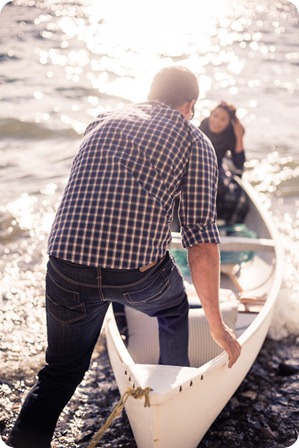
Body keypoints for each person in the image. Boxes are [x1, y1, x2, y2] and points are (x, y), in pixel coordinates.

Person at [5, 66, 241, 448]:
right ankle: (172, 386)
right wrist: (217, 326)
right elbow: (200, 241)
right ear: (190, 105)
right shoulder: (194, 141)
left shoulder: (101, 120)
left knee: (62, 371)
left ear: (150, 92)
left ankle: (24, 441)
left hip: (66, 267)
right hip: (136, 277)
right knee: (173, 307)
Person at [199, 101, 249, 224]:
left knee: (226, 190)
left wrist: (239, 136)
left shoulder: (229, 134)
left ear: (228, 123)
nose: (216, 121)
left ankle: (218, 221)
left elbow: (238, 164)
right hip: (198, 165)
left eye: (222, 119)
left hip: (216, 167)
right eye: (215, 115)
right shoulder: (204, 125)